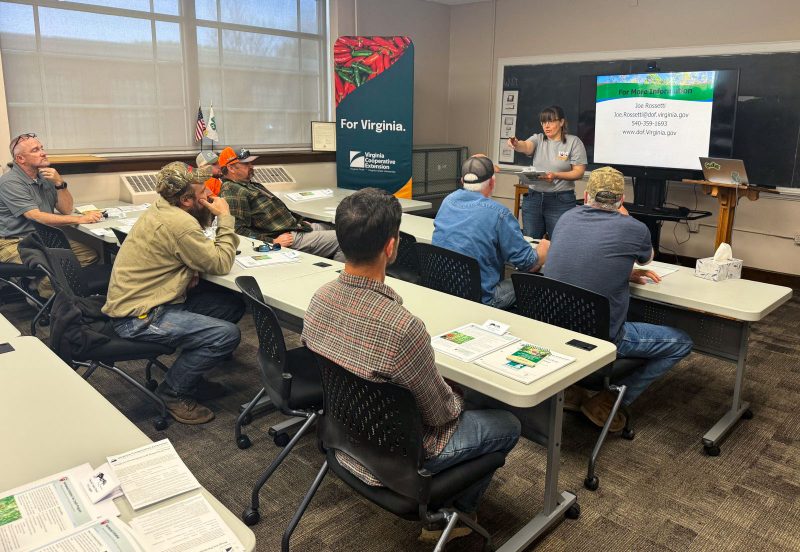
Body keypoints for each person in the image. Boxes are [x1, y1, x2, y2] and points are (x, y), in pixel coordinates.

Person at [302, 188, 520, 542]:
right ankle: (455, 516)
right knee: (506, 421)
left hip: (344, 440)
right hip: (402, 461)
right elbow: (441, 416)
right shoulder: (403, 327)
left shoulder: (319, 299)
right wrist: (462, 395)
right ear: (391, 246)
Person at [544, 166, 693, 430]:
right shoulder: (634, 229)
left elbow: (585, 261)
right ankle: (608, 400)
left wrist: (623, 272)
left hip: (554, 330)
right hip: (601, 337)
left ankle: (572, 390)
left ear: (587, 194)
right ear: (622, 200)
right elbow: (647, 258)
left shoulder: (565, 218)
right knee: (682, 342)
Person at [102, 162, 245, 425]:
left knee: (230, 304)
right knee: (225, 334)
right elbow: (221, 263)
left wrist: (189, 270)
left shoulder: (161, 208)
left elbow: (178, 252)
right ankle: (173, 391)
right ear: (187, 200)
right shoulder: (180, 224)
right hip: (139, 317)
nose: (208, 197)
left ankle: (190, 375)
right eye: (202, 193)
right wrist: (225, 217)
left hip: (151, 300)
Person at [432, 154, 549, 309]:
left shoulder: (448, 201)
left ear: (462, 181)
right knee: (533, 279)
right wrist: (544, 248)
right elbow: (528, 264)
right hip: (483, 299)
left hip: (443, 291)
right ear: (492, 182)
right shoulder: (499, 214)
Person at [0, 132, 101, 296]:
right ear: (20, 159)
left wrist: (60, 183)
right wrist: (81, 219)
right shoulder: (9, 182)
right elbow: (35, 216)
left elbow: (66, 209)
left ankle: (37, 287)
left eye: (41, 148)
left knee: (88, 256)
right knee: (57, 264)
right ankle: (51, 303)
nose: (43, 152)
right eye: (35, 150)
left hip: (43, 238)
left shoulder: (45, 176)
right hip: (13, 241)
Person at [218, 147, 345, 261]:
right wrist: (272, 241)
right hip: (284, 237)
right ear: (231, 168)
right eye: (246, 164)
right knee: (347, 239)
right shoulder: (232, 191)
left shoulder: (249, 185)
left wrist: (300, 221)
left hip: (294, 227)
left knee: (346, 228)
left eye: (251, 163)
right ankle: (340, 282)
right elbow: (237, 230)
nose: (252, 166)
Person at [507, 105, 587, 238]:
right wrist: (516, 144)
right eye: (543, 122)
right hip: (534, 198)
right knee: (531, 240)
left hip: (561, 200)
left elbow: (579, 172)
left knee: (559, 240)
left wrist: (556, 175)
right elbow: (525, 146)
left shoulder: (574, 142)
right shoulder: (538, 139)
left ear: (561, 122)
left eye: (551, 121)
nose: (546, 126)